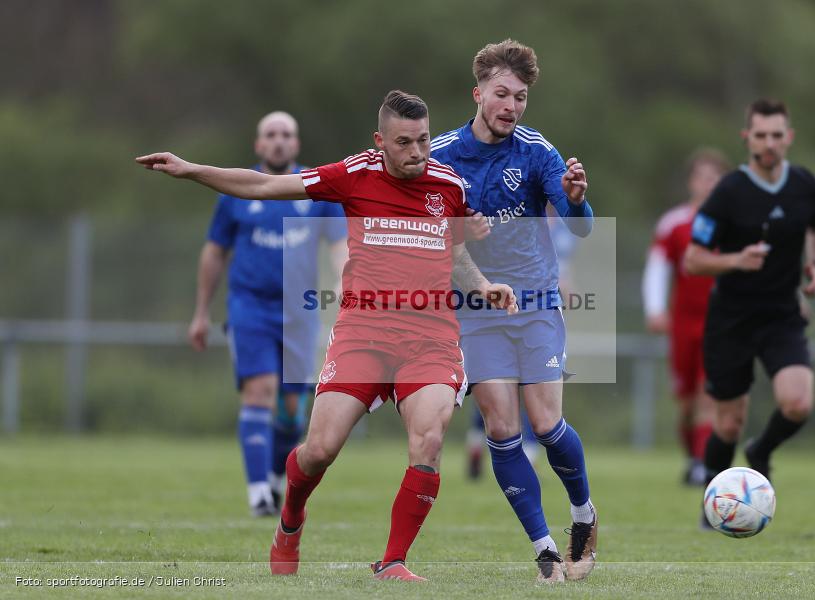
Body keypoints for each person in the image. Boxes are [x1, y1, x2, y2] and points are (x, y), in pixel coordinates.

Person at [137, 90, 517, 582]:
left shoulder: (449, 186)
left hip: (431, 338)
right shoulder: (352, 175)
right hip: (363, 334)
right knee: (319, 450)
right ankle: (289, 522)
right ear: (380, 141)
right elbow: (261, 186)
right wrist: (193, 170)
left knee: (428, 440)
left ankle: (393, 562)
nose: (418, 153)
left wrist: (484, 287)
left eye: (424, 140)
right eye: (404, 143)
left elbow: (456, 253)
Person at [431, 40, 596, 582]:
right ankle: (545, 547)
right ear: (476, 93)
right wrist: (458, 231)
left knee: (547, 426)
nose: (511, 105)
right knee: (501, 430)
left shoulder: (536, 151)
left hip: (536, 304)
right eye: (501, 94)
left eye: (520, 97)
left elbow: (581, 226)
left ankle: (582, 515)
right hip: (476, 310)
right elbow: (424, 234)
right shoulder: (441, 155)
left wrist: (574, 198)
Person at [189, 111, 347, 517]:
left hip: (302, 309)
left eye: (286, 135)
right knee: (258, 391)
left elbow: (339, 248)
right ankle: (258, 493)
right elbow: (214, 252)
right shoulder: (237, 192)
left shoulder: (316, 191)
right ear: (259, 145)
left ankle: (277, 481)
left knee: (292, 409)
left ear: (296, 144)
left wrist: (347, 291)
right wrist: (201, 312)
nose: (279, 141)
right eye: (271, 135)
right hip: (249, 307)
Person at [684, 99, 815, 526]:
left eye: (777, 135)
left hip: (783, 315)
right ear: (748, 138)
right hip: (731, 319)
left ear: (789, 138)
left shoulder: (806, 186)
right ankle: (712, 503)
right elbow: (693, 259)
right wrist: (735, 260)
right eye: (761, 135)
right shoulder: (728, 193)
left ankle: (761, 450)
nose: (769, 143)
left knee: (798, 403)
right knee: (728, 424)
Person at [642, 149, 729, 486]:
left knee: (710, 395)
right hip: (683, 323)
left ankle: (705, 467)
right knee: (687, 401)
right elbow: (657, 269)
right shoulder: (674, 224)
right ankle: (693, 457)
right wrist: (655, 309)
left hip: (721, 324)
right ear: (692, 182)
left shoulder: (733, 224)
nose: (708, 184)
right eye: (703, 177)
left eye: (715, 178)